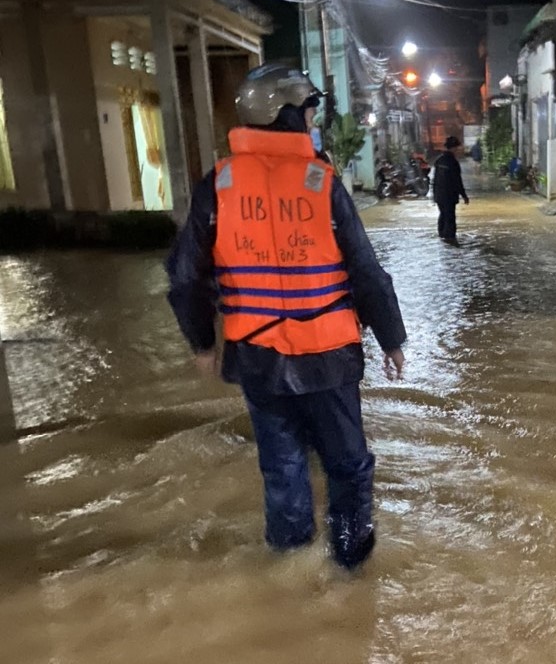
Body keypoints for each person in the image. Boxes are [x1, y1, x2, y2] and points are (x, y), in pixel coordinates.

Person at [164, 62, 406, 571]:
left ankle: (289, 573)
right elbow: (364, 268)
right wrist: (391, 338)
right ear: (288, 114)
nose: (314, 120)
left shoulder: (218, 184)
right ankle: (351, 570)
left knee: (282, 467)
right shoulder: (322, 182)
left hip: (256, 358)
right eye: (310, 110)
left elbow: (184, 275)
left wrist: (202, 344)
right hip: (329, 357)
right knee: (347, 466)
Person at [431, 135, 469, 246]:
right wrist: (464, 195)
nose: (458, 150)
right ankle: (450, 240)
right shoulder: (453, 162)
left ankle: (442, 238)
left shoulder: (439, 160)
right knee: (450, 218)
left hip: (439, 194)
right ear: (454, 148)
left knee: (442, 215)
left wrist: (434, 194)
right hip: (449, 195)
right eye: (457, 148)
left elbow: (434, 179)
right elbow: (457, 181)